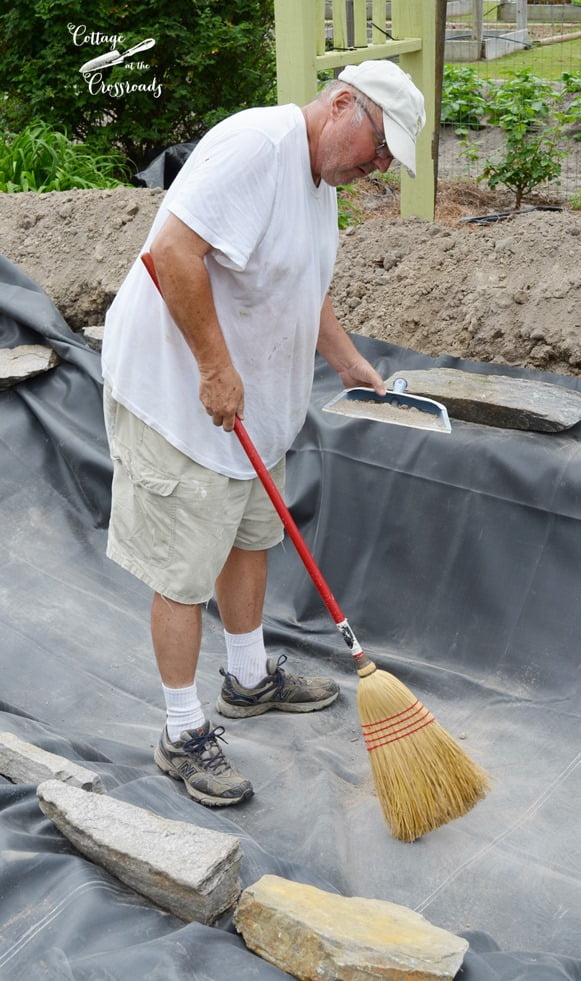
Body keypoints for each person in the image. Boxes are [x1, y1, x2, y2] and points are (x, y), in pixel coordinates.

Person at [101, 59, 426, 808]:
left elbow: (302, 285)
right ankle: (182, 730)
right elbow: (172, 252)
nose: (376, 168)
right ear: (344, 104)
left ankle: (248, 679)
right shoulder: (258, 148)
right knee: (184, 568)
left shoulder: (319, 184)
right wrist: (214, 366)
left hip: (250, 409)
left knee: (250, 537)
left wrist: (349, 363)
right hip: (182, 399)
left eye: (386, 163)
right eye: (378, 149)